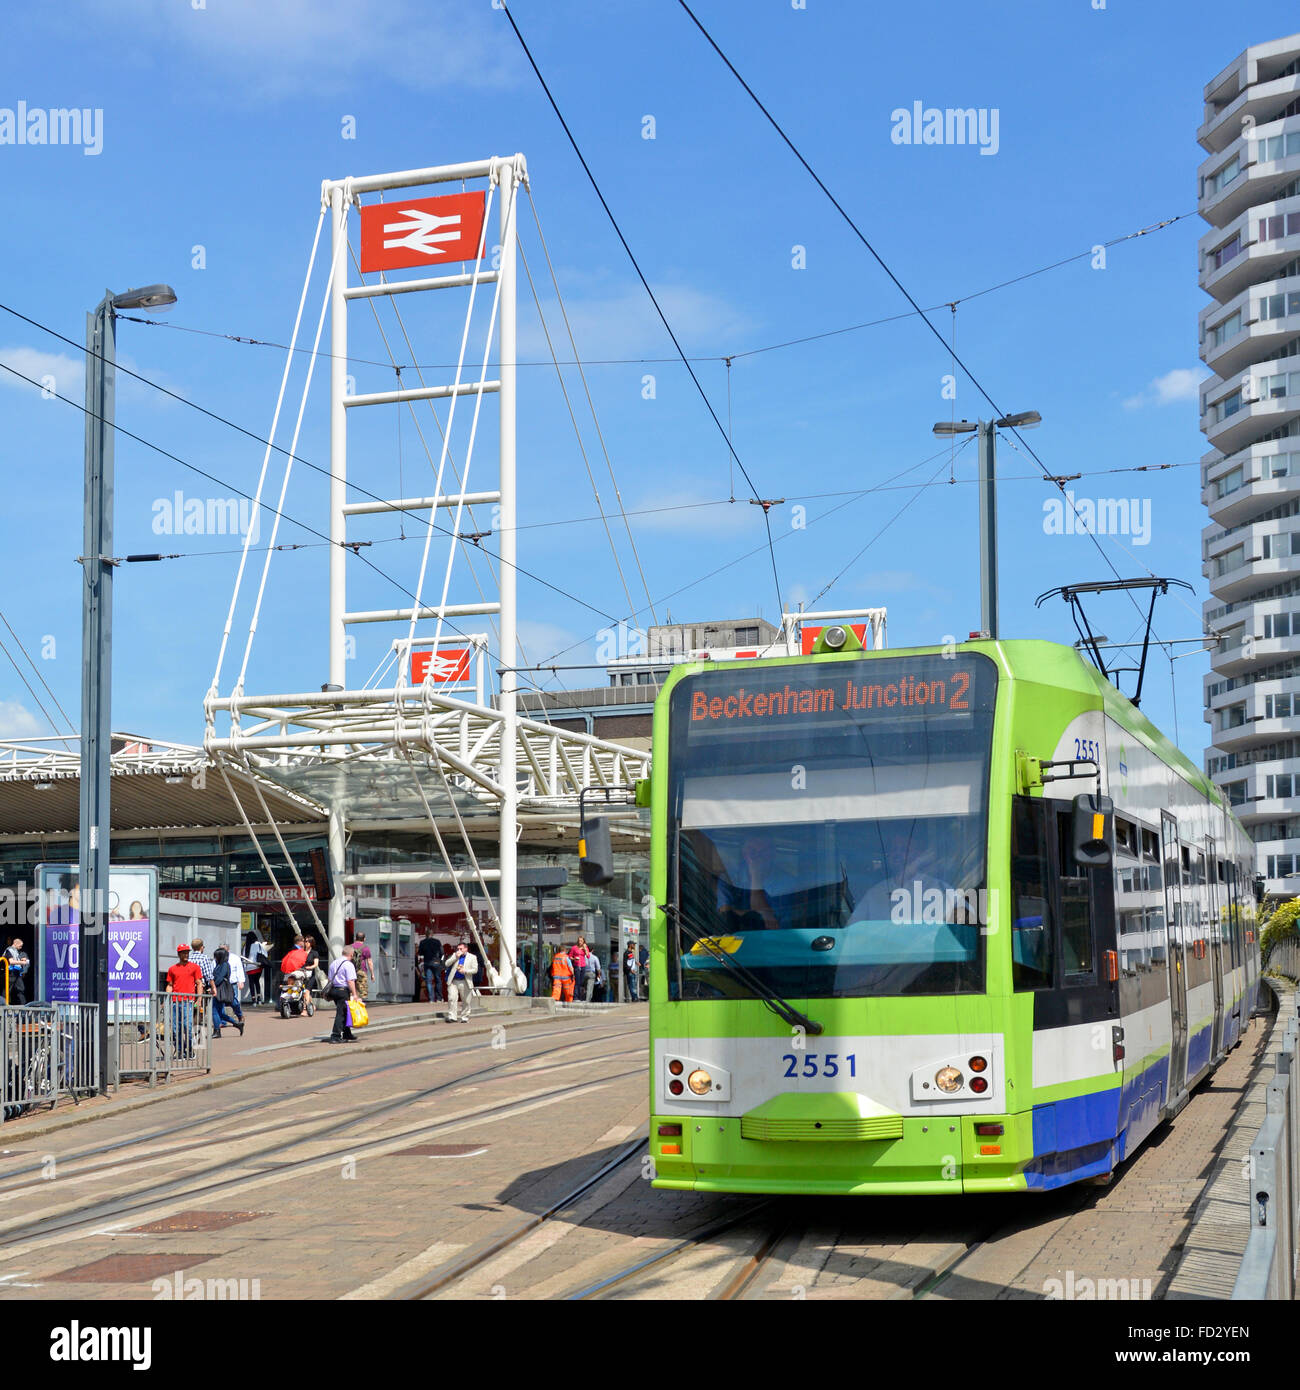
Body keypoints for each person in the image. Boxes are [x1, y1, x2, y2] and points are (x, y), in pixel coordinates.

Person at [165, 943, 204, 1058]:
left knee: (188, 1026)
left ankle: (190, 1050)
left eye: (187, 952)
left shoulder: (194, 967)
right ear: (179, 954)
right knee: (176, 1028)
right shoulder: (172, 969)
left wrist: (199, 999)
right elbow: (170, 985)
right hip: (175, 1002)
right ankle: (180, 1051)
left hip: (188, 1001)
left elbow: (199, 983)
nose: (186, 954)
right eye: (184, 952)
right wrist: (166, 999)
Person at [324, 946, 360, 1043]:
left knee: (345, 1012)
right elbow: (350, 981)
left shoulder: (334, 963)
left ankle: (347, 1033)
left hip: (334, 990)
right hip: (343, 991)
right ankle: (335, 1036)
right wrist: (355, 994)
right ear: (351, 954)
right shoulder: (348, 965)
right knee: (341, 1013)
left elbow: (329, 980)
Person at [211, 947, 245, 1038]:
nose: (215, 958)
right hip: (220, 989)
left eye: (216, 956)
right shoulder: (220, 964)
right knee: (219, 1012)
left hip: (220, 989)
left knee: (214, 1011)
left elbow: (220, 978)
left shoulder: (224, 965)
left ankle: (217, 1031)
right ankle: (236, 1024)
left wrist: (212, 985)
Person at [444, 942, 477, 1022]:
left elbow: (475, 969)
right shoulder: (455, 955)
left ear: (466, 949)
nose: (459, 950)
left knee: (466, 1000)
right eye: (458, 949)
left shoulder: (472, 957)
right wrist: (455, 957)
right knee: (452, 998)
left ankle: (464, 1017)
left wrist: (465, 971)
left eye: (461, 949)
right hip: (454, 981)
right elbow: (447, 964)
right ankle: (452, 1016)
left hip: (465, 981)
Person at [417, 930, 444, 1005]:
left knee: (429, 981)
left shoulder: (422, 942)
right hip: (436, 962)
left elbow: (420, 953)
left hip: (427, 962)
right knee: (438, 980)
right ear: (432, 934)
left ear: (426, 935)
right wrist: (440, 961)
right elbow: (442, 953)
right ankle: (439, 998)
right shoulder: (437, 941)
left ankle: (431, 999)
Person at [242, 933, 267, 1004]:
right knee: (257, 981)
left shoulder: (246, 946)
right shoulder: (258, 944)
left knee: (251, 982)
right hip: (257, 966)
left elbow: (244, 957)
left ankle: (253, 999)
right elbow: (265, 953)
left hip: (249, 967)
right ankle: (259, 998)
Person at [3, 937, 29, 1005]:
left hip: (16, 973)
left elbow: (15, 960)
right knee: (7, 990)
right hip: (10, 973)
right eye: (20, 946)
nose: (21, 947)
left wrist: (21, 960)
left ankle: (23, 1006)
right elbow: (11, 961)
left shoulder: (15, 951)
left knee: (21, 989)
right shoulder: (9, 950)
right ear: (15, 944)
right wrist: (22, 963)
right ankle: (3, 1005)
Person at [352, 931, 375, 1001]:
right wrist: (372, 974)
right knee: (361, 992)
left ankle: (351, 1009)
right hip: (361, 971)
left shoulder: (350, 947)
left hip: (351, 971)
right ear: (364, 939)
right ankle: (359, 1008)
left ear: (355, 938)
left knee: (352, 991)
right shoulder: (366, 948)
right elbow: (369, 962)